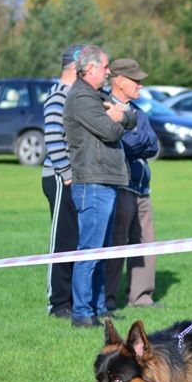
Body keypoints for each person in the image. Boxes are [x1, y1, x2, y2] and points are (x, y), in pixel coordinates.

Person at [63, 45, 136, 328]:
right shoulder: (81, 97)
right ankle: (82, 313)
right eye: (105, 67)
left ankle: (97, 308)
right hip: (92, 183)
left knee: (101, 252)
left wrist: (122, 115)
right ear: (90, 68)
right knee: (90, 251)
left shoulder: (97, 96)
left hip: (106, 181)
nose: (109, 72)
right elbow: (109, 129)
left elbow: (131, 116)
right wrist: (119, 118)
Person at [104, 59, 162, 309]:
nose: (140, 85)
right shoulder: (105, 107)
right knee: (116, 245)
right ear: (119, 81)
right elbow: (122, 146)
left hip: (142, 188)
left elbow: (153, 144)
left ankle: (141, 297)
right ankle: (106, 299)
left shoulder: (139, 112)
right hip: (121, 188)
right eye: (135, 80)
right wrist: (138, 139)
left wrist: (136, 139)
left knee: (145, 244)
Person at [41, 43, 84, 319]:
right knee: (62, 241)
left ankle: (72, 300)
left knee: (76, 241)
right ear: (73, 67)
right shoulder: (58, 96)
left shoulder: (76, 96)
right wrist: (67, 175)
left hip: (73, 178)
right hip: (59, 178)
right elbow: (53, 138)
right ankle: (57, 304)